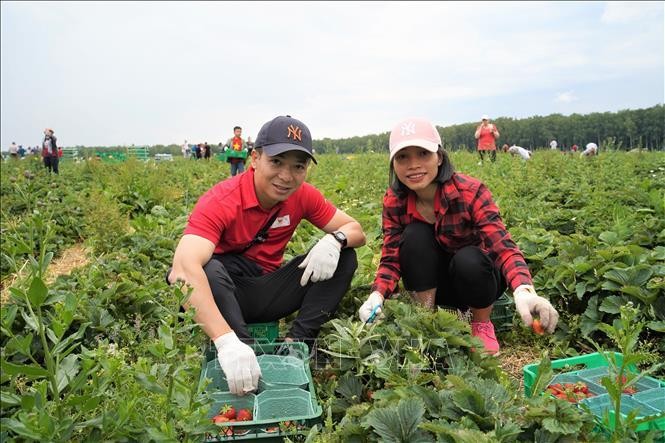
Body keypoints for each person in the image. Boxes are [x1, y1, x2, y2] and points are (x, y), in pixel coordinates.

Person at [168, 115, 366, 395]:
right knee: (208, 268)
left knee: (346, 256)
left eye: (298, 166)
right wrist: (226, 341)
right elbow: (183, 269)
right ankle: (240, 348)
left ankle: (297, 343)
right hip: (223, 294)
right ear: (255, 158)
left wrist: (336, 240)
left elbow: (356, 229)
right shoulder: (222, 199)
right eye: (276, 162)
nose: (286, 176)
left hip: (264, 288)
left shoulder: (303, 196)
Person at [358, 117, 558, 355]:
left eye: (423, 153)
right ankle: (427, 320)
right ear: (393, 164)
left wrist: (524, 290)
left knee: (469, 258)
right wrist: (377, 294)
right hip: (434, 285)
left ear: (439, 157)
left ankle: (481, 323)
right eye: (403, 157)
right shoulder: (394, 201)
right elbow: (391, 257)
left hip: (477, 282)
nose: (413, 165)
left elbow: (503, 247)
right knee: (415, 236)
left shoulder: (470, 192)